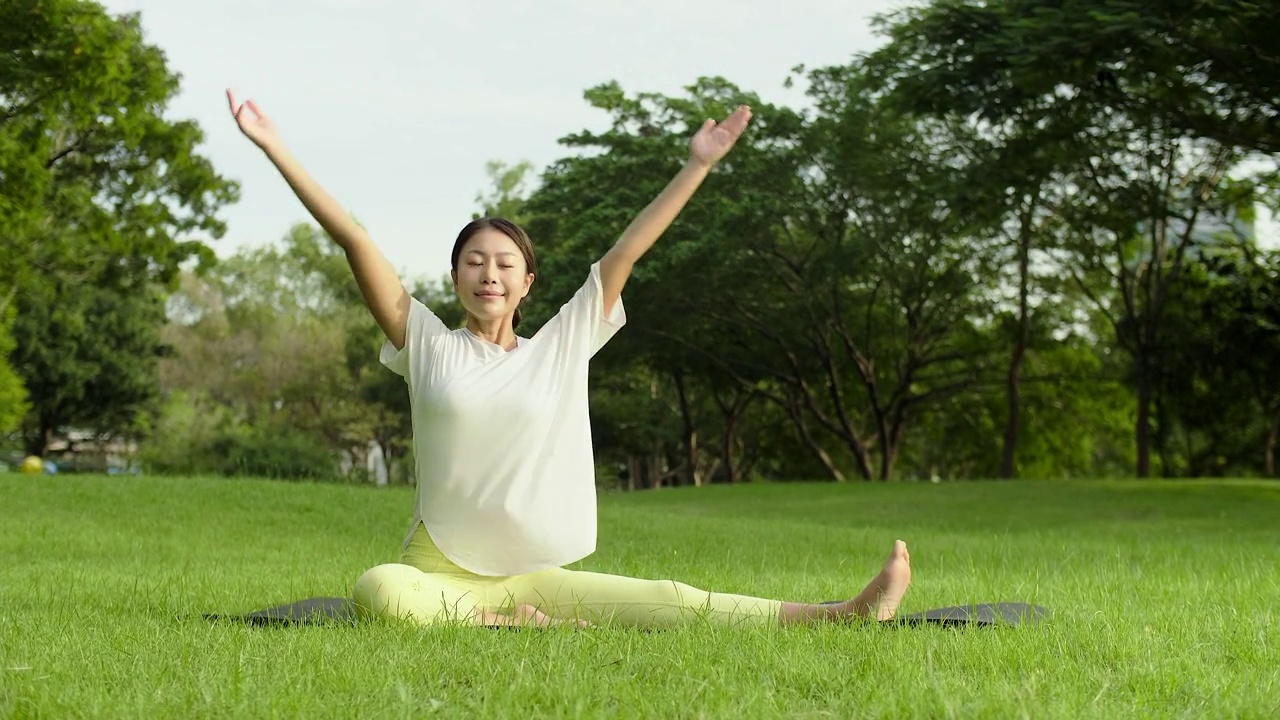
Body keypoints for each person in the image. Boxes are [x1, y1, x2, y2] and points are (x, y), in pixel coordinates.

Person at [226, 89, 911, 630]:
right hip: (437, 574)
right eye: (473, 262)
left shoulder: (560, 345)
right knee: (378, 590)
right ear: (456, 276)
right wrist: (274, 146)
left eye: (504, 264)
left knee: (670, 598)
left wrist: (696, 164)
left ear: (527, 284)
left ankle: (843, 615)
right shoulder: (426, 341)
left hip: (536, 575)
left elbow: (626, 253)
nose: (488, 274)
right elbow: (353, 238)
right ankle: (498, 624)